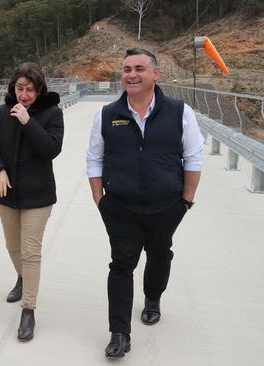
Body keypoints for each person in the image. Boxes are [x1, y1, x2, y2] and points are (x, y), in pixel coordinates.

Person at [86, 48, 203, 358]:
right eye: (126, 69)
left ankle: (152, 298)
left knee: (160, 253)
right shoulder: (107, 114)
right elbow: (94, 158)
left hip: (166, 205)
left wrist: (186, 200)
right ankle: (119, 333)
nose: (131, 74)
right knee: (121, 264)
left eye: (139, 68)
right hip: (120, 207)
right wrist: (100, 199)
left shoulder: (180, 112)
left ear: (155, 73)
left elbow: (193, 156)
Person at [0, 63, 64, 341]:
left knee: (30, 251)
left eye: (29, 89)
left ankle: (28, 309)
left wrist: (29, 122)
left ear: (39, 90)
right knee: (13, 246)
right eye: (19, 88)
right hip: (6, 195)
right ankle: (21, 277)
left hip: (38, 197)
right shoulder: (2, 113)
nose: (24, 95)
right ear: (12, 88)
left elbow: (51, 149)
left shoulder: (52, 113)